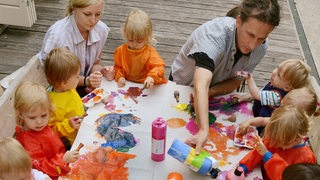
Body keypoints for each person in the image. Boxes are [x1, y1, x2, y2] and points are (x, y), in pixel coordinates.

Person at [170, 0, 281, 154]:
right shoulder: (214, 35)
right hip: (180, 87)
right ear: (239, 21)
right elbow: (201, 84)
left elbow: (236, 80)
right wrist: (203, 129)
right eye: (250, 34)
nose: (253, 45)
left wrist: (211, 92)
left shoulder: (262, 47)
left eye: (261, 38)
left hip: (211, 95)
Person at [37, 0, 114, 97]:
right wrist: (87, 80)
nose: (93, 21)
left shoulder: (101, 30)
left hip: (81, 88)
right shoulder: (59, 37)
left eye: (98, 14)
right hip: (60, 92)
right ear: (74, 8)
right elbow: (57, 80)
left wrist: (101, 71)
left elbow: (94, 64)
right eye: (87, 14)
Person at [14, 81, 79, 179]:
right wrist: (63, 160)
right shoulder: (27, 141)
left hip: (63, 161)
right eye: (32, 117)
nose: (40, 121)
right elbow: (40, 167)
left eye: (44, 115)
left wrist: (69, 125)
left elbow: (51, 134)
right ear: (21, 115)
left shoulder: (34, 124)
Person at [238, 105, 316, 180]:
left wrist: (268, 156)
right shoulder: (276, 138)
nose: (275, 144)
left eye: (281, 144)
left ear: (297, 139)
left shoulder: (307, 159)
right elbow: (258, 152)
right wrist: (244, 167)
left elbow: (285, 177)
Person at [235, 59, 311, 118]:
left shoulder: (277, 96)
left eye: (279, 74)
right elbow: (260, 93)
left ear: (287, 87)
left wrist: (249, 78)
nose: (274, 72)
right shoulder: (275, 85)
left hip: (262, 125)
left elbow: (256, 95)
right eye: (277, 68)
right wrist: (244, 98)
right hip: (255, 113)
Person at [44, 48, 86, 149]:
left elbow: (74, 105)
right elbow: (50, 130)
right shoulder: (52, 104)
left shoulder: (69, 88)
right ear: (63, 83)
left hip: (83, 128)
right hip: (74, 144)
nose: (79, 78)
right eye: (76, 76)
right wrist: (68, 125)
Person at [114, 9, 167, 88]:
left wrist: (151, 77)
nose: (134, 44)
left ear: (147, 37)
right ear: (125, 34)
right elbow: (118, 67)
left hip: (145, 87)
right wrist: (120, 77)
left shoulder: (150, 53)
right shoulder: (120, 51)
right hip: (128, 86)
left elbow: (159, 67)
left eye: (139, 41)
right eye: (130, 40)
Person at [238, 87, 319, 134]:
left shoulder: (294, 134)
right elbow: (263, 121)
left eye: (283, 108)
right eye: (281, 104)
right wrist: (249, 122)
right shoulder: (281, 117)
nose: (279, 109)